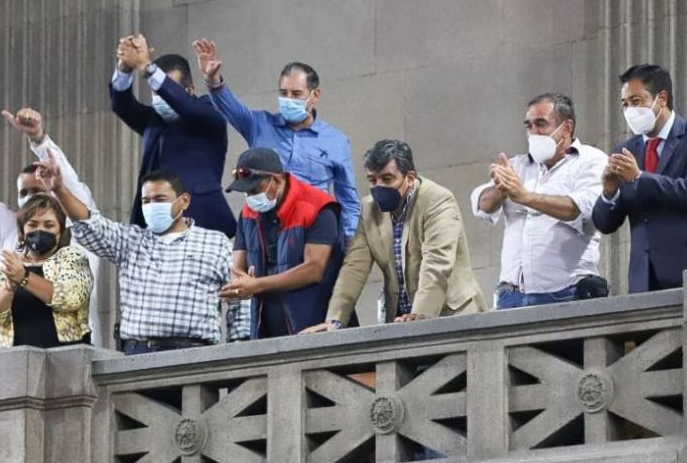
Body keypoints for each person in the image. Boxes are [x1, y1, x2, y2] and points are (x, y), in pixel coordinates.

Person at [43, 161, 249, 355]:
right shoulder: (131, 240)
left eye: (160, 200)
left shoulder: (215, 243)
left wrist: (239, 349)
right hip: (138, 354)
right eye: (146, 201)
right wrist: (59, 189)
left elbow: (239, 297)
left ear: (184, 201)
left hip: (195, 354)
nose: (152, 206)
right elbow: (90, 225)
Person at [0, 109, 102, 344]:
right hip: (15, 359)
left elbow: (71, 296)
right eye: (23, 193)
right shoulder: (13, 236)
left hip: (73, 355)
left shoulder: (81, 231)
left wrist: (39, 139)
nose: (30, 198)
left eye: (37, 190)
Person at [303, 140, 486, 333]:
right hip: (402, 322)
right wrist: (335, 321)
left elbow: (437, 263)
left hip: (454, 317)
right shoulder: (368, 209)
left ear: (409, 177)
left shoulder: (438, 201)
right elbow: (354, 268)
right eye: (372, 180)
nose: (378, 187)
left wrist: (421, 316)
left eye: (387, 179)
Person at [192, 38, 361, 240]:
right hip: (265, 230)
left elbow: (348, 200)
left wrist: (348, 243)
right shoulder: (259, 124)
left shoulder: (336, 141)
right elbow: (230, 106)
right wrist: (213, 80)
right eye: (283, 93)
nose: (289, 99)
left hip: (313, 233)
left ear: (314, 96)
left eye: (296, 94)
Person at [592, 63, 687, 292]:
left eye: (636, 101)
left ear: (662, 98)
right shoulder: (626, 150)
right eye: (625, 104)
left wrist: (638, 177)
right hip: (645, 277)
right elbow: (605, 223)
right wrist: (609, 192)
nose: (629, 111)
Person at [471, 93, 609, 308]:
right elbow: (482, 206)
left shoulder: (592, 161)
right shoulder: (517, 166)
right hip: (512, 296)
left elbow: (577, 209)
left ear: (566, 127)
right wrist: (501, 189)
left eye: (541, 124)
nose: (534, 132)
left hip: (567, 292)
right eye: (529, 126)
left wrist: (525, 197)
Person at [111, 33, 236, 237]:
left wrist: (147, 67)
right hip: (153, 224)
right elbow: (121, 104)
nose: (161, 97)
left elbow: (187, 106)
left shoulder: (208, 113)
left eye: (167, 90)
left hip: (200, 221)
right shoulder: (153, 120)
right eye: (155, 93)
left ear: (190, 90)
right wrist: (125, 66)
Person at [221, 148, 344, 338]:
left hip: (314, 327)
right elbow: (239, 267)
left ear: (277, 179)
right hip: (264, 330)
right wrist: (238, 286)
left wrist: (257, 285)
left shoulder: (317, 207)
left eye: (255, 189)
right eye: (246, 192)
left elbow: (314, 269)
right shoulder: (248, 213)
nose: (250, 197)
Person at [0, 193, 93, 347]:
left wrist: (24, 277)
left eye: (49, 225)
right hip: (17, 359)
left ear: (60, 231)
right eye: (32, 225)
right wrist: (8, 288)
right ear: (22, 231)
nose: (40, 230)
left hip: (67, 358)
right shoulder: (8, 264)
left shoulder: (72, 257)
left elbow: (71, 298)